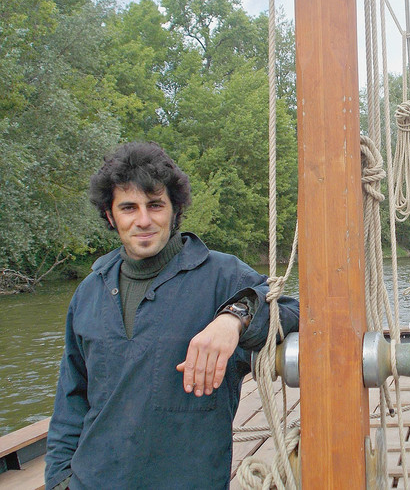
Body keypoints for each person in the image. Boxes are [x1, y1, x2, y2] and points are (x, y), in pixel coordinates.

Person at [44, 142, 299, 489]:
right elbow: (71, 399)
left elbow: (296, 311)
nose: (144, 220)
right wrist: (59, 479)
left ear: (174, 209)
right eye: (129, 207)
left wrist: (234, 319)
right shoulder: (89, 292)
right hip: (93, 480)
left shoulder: (222, 277)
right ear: (110, 215)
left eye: (155, 205)